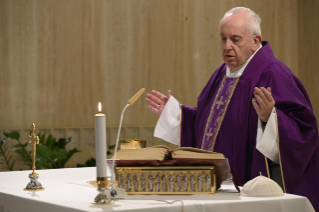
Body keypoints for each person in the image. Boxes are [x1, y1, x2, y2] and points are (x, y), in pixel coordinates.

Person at [146, 7, 319, 210]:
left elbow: (304, 132)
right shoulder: (223, 73)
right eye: (223, 39)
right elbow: (210, 125)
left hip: (251, 192)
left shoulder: (273, 73)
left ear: (255, 41)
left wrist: (270, 118)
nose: (227, 46)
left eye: (235, 39)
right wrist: (176, 114)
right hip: (218, 189)